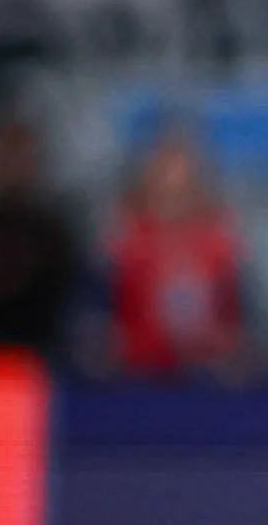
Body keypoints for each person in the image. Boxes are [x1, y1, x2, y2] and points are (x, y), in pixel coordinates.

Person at [105, 120, 247, 380]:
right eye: (164, 172)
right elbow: (107, 318)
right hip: (137, 375)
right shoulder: (125, 240)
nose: (172, 184)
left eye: (181, 173)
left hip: (206, 377)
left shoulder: (219, 241)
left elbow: (235, 318)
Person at [0, 113, 83, 362]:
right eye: (5, 154)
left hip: (42, 362)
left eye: (20, 154)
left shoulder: (54, 230)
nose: (13, 165)